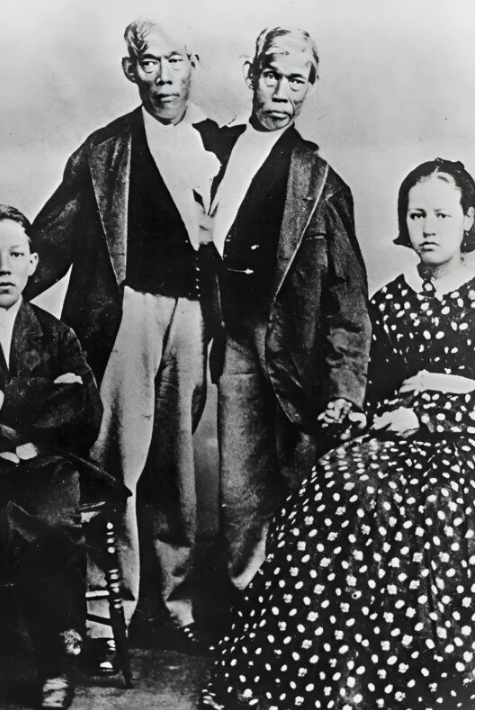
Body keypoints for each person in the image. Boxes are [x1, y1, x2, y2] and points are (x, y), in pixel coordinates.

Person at [0, 18, 221, 646]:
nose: (164, 77)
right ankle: (103, 616)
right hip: (128, 315)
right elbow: (44, 245)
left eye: (176, 61)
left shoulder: (221, 143)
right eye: (150, 63)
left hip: (195, 317)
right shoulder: (105, 150)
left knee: (177, 468)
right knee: (116, 463)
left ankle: (176, 607)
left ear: (194, 64)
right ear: (130, 70)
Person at [200, 158, 475, 709]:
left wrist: (431, 415)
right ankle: (320, 672)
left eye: (442, 215)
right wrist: (351, 412)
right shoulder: (391, 299)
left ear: (469, 218)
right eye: (416, 215)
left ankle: (406, 675)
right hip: (391, 439)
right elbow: (370, 381)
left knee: (432, 504)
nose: (427, 228)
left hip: (463, 440)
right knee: (334, 483)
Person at [209, 27, 371, 593]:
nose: (281, 91)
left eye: (296, 81)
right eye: (272, 76)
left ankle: (297, 608)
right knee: (239, 487)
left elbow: (349, 300)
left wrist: (344, 389)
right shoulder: (211, 151)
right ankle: (246, 605)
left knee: (300, 480)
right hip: (232, 339)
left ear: (309, 87)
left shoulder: (322, 184)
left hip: (297, 350)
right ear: (251, 76)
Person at [0, 205, 105, 710]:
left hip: (44, 466)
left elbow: (84, 415)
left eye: (16, 255)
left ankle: (55, 668)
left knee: (54, 525)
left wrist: (7, 402)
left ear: (33, 263)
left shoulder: (57, 335)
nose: (5, 267)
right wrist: (41, 407)